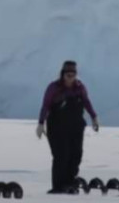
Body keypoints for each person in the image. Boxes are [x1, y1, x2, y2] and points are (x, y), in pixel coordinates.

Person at [36, 61, 100, 194]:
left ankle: (70, 183)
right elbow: (46, 105)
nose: (70, 77)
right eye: (68, 74)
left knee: (76, 155)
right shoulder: (54, 88)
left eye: (73, 74)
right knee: (61, 155)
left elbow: (87, 102)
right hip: (57, 127)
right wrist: (41, 123)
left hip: (76, 126)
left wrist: (94, 117)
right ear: (63, 74)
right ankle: (58, 186)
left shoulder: (79, 87)